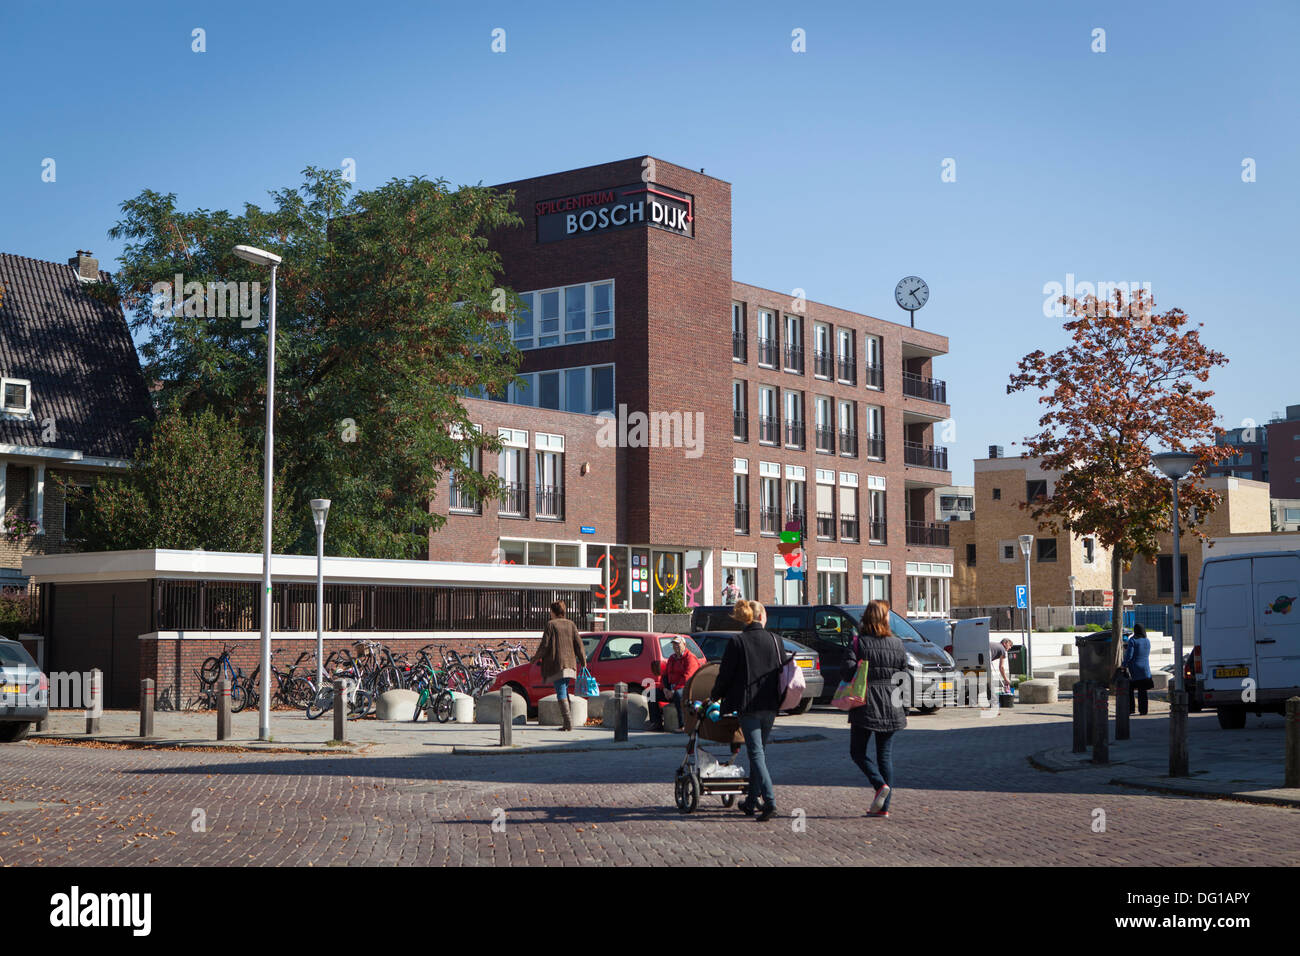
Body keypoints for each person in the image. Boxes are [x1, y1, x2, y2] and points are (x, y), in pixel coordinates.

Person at [711, 599, 784, 821]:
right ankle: (751, 801)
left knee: (756, 753)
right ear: (761, 617)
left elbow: (725, 676)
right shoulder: (775, 640)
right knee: (759, 752)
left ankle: (769, 801)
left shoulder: (737, 642)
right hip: (770, 703)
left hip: (748, 704)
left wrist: (714, 696)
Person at [844, 600, 908, 818]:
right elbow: (904, 677)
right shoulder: (897, 643)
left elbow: (847, 672)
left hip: (865, 702)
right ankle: (884, 807)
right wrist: (905, 707)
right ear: (884, 619)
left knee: (857, 752)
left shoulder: (858, 643)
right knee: (884, 756)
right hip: (892, 702)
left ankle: (879, 784)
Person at [532, 600, 586, 731]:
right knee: (564, 690)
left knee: (561, 692)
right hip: (570, 664)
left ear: (554, 612)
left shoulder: (551, 625)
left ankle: (568, 723)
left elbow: (545, 645)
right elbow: (579, 644)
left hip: (557, 664)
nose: (550, 613)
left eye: (550, 611)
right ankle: (567, 722)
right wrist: (583, 661)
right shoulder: (571, 624)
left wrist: (535, 658)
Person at [653, 636, 701, 731]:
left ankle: (682, 725)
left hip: (685, 688)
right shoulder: (672, 658)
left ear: (684, 645)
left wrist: (673, 691)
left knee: (678, 695)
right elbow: (665, 675)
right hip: (671, 689)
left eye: (678, 644)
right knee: (651, 694)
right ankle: (656, 723)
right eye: (674, 645)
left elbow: (687, 677)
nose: (676, 647)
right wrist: (664, 689)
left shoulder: (690, 658)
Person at [1123, 623, 1154, 716]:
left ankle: (1131, 709)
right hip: (1145, 669)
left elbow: (1129, 655)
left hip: (1135, 669)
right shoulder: (1147, 640)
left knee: (1129, 689)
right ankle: (1143, 710)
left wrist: (1123, 665)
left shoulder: (1133, 640)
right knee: (1143, 691)